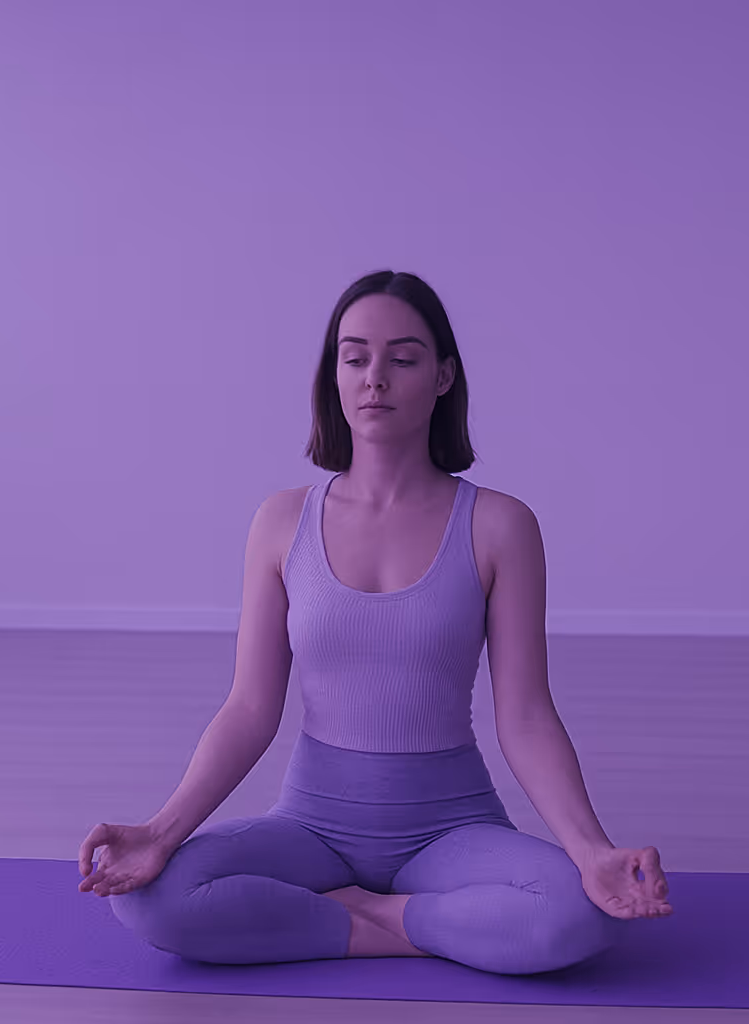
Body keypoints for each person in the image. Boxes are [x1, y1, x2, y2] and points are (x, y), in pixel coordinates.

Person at [77, 270, 672, 973]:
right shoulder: (281, 521)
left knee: (584, 912)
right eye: (355, 357)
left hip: (450, 830)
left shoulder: (500, 525)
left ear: (443, 376)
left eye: (403, 358)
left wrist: (591, 851)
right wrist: (160, 831)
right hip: (310, 827)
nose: (375, 378)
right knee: (150, 900)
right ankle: (429, 927)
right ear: (334, 375)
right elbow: (249, 708)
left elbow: (526, 715)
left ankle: (369, 916)